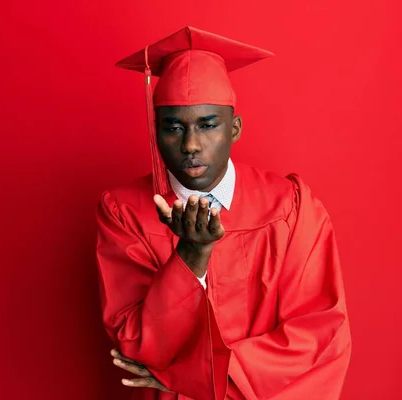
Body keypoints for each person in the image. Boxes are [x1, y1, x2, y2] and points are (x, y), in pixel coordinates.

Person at [96, 26, 351, 400]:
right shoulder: (124, 213)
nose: (190, 144)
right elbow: (135, 343)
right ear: (156, 132)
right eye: (174, 127)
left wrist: (199, 376)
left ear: (234, 129)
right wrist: (190, 256)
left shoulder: (289, 207)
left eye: (208, 125)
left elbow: (319, 336)